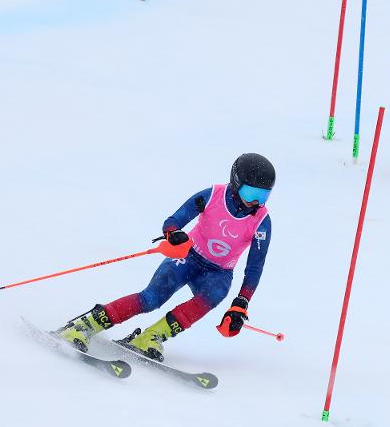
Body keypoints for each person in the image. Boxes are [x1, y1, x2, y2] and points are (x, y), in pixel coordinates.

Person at [56, 153, 275, 361]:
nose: (255, 202)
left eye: (263, 196)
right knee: (151, 298)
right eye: (250, 193)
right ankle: (83, 327)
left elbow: (255, 267)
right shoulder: (212, 196)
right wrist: (174, 233)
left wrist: (241, 302)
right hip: (188, 257)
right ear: (236, 183)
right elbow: (174, 220)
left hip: (219, 272)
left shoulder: (262, 222)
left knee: (216, 293)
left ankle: (151, 337)